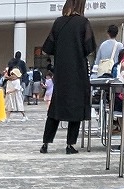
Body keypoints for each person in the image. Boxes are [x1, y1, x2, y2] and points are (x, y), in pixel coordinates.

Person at [39, 0, 95, 154]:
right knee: (76, 107)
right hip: (78, 71)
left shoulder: (58, 22)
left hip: (61, 72)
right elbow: (89, 47)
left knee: (56, 107)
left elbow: (47, 48)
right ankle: (70, 145)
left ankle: (45, 143)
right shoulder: (83, 22)